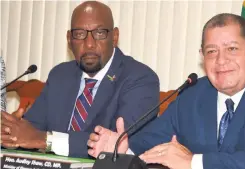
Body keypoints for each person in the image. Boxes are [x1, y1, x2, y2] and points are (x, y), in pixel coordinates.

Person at [87, 13, 245, 169]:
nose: (221, 60)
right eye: (211, 51)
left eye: (232, 49)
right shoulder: (193, 95)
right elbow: (150, 141)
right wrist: (124, 147)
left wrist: (194, 162)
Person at [1, 1, 159, 158]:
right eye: (79, 34)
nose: (89, 44)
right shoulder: (60, 75)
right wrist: (11, 132)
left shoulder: (140, 79)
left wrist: (45, 140)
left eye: (99, 33)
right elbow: (31, 130)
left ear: (115, 36)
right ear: (69, 40)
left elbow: (115, 143)